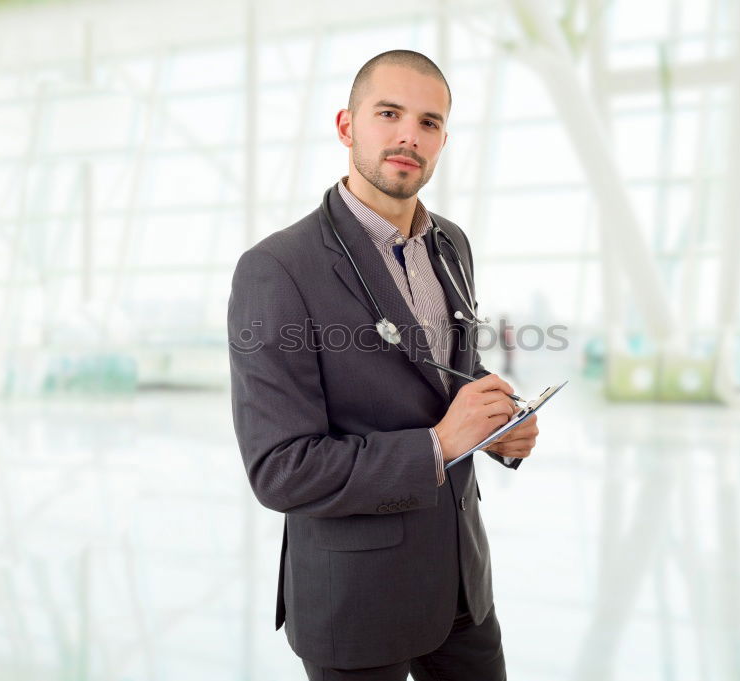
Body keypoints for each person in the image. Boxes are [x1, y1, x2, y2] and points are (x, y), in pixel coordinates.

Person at [227, 49, 539, 681]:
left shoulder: (451, 243)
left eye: (429, 123)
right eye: (389, 113)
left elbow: (450, 373)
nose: (408, 136)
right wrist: (439, 444)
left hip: (462, 587)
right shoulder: (278, 268)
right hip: (357, 599)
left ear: (444, 140)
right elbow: (280, 470)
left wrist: (497, 425)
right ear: (347, 126)